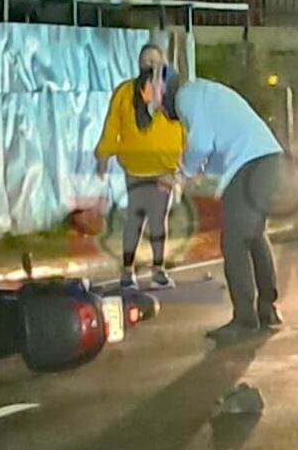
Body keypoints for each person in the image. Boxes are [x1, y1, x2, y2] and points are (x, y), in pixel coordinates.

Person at [169, 77, 287, 344]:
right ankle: (267, 310)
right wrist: (200, 171)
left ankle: (245, 321)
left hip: (252, 163)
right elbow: (215, 146)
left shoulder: (186, 96)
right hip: (268, 160)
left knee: (234, 241)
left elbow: (200, 144)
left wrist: (184, 173)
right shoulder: (205, 93)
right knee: (254, 235)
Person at [95, 44, 185, 290]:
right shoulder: (125, 92)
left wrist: (186, 164)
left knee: (158, 220)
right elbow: (112, 124)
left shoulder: (174, 93)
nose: (150, 66)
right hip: (135, 169)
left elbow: (186, 125)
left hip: (164, 168)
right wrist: (103, 154)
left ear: (164, 64)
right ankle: (127, 270)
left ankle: (159, 270)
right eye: (145, 61)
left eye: (155, 62)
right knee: (134, 219)